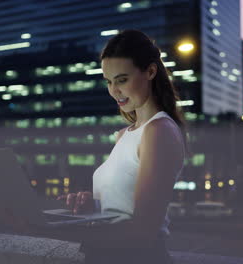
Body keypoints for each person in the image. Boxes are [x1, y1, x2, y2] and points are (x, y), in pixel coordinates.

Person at [57, 29, 190, 264]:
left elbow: (144, 230)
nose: (114, 91)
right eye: (109, 82)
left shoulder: (159, 130)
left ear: (150, 71)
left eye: (122, 80)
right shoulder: (124, 135)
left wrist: (56, 230)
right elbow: (121, 209)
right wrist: (94, 205)